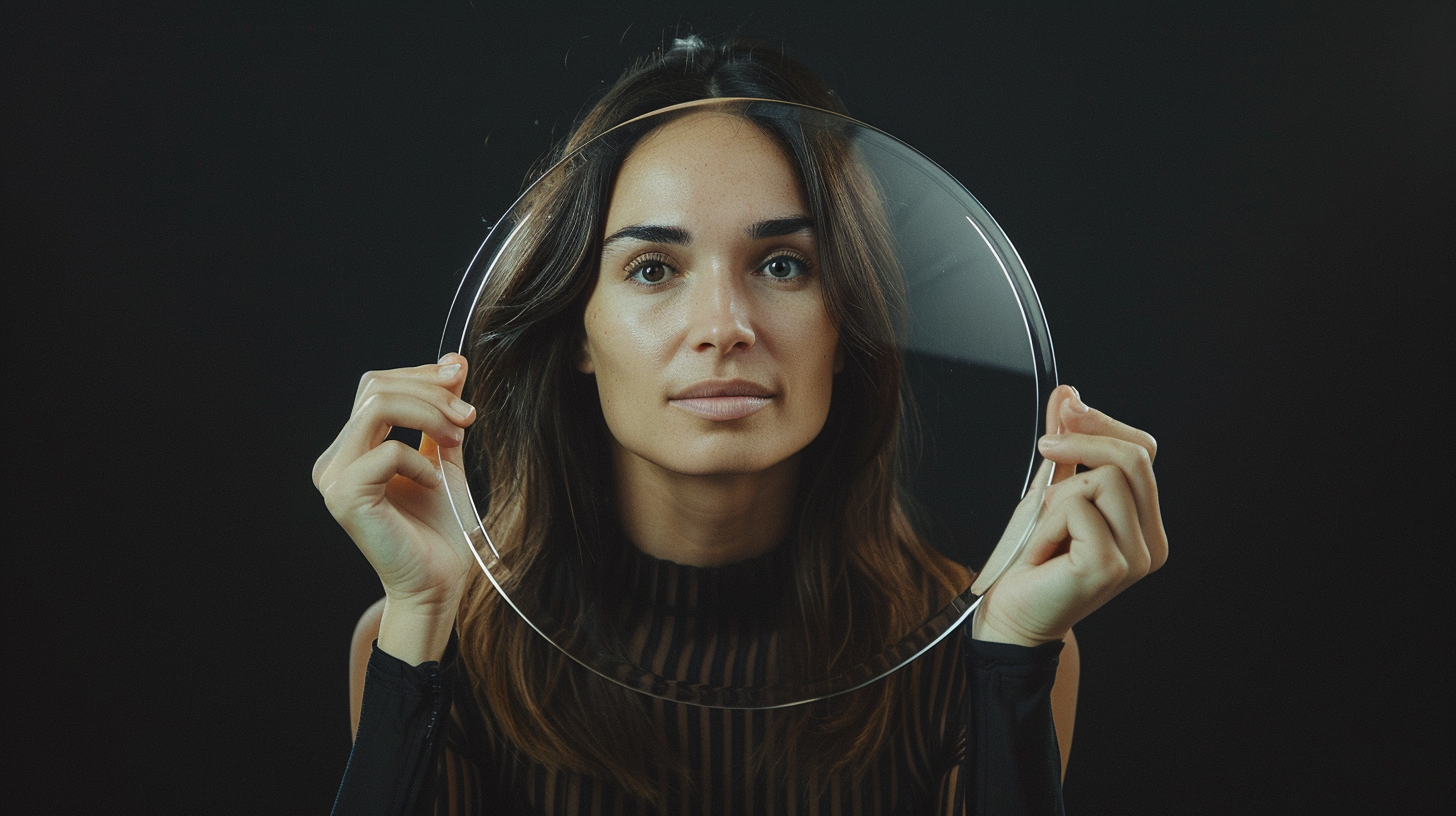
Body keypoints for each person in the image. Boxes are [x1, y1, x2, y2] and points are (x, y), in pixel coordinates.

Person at [314, 36, 1166, 815]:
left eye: (783, 265)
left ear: (848, 324)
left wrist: (1012, 658)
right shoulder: (428, 640)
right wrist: (420, 622)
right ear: (579, 326)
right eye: (654, 268)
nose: (724, 324)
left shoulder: (986, 641)